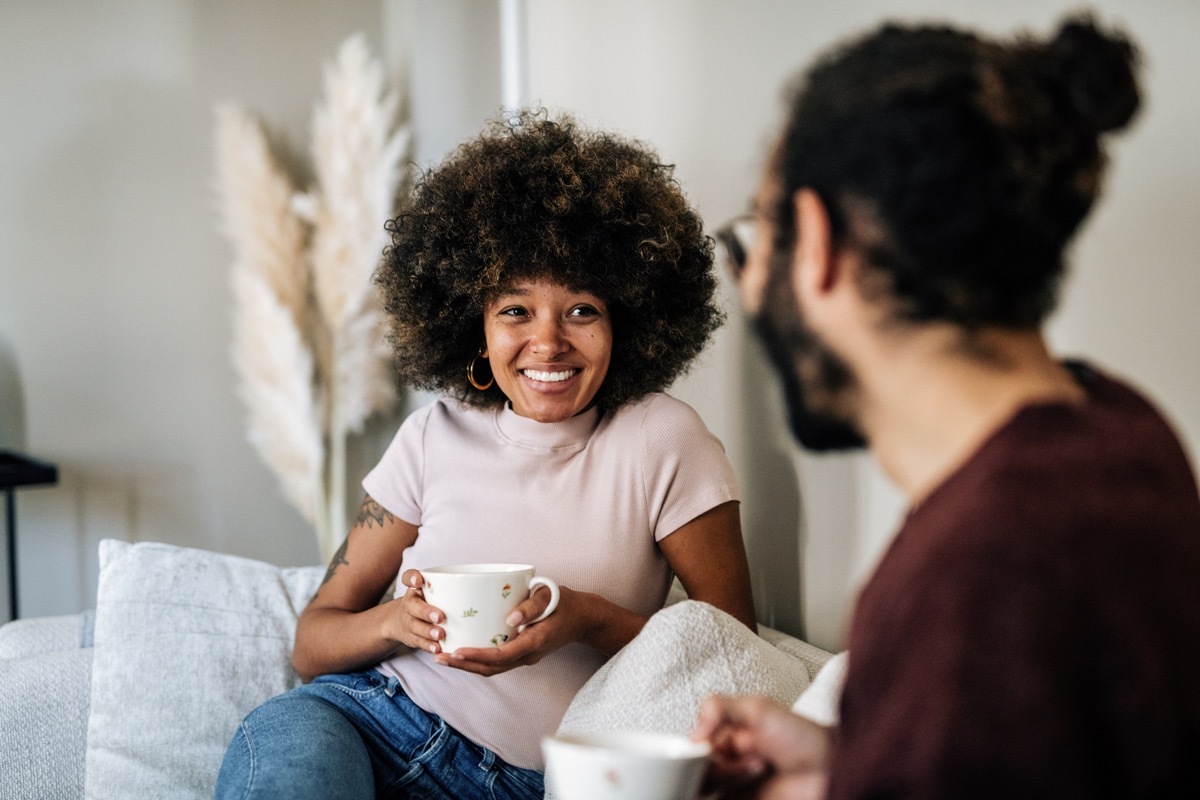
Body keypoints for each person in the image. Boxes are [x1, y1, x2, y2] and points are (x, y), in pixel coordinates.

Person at [693, 13, 1200, 799]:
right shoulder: (1121, 428)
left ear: (819, 243)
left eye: (753, 244)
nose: (751, 286)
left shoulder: (978, 575)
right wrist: (853, 761)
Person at [214, 112, 757, 800]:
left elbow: (735, 652)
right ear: (474, 323)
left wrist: (585, 620)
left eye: (582, 309)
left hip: (534, 784)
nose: (549, 343)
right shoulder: (430, 436)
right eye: (516, 311)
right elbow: (312, 642)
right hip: (368, 724)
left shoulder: (665, 440)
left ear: (628, 320)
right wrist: (395, 623)